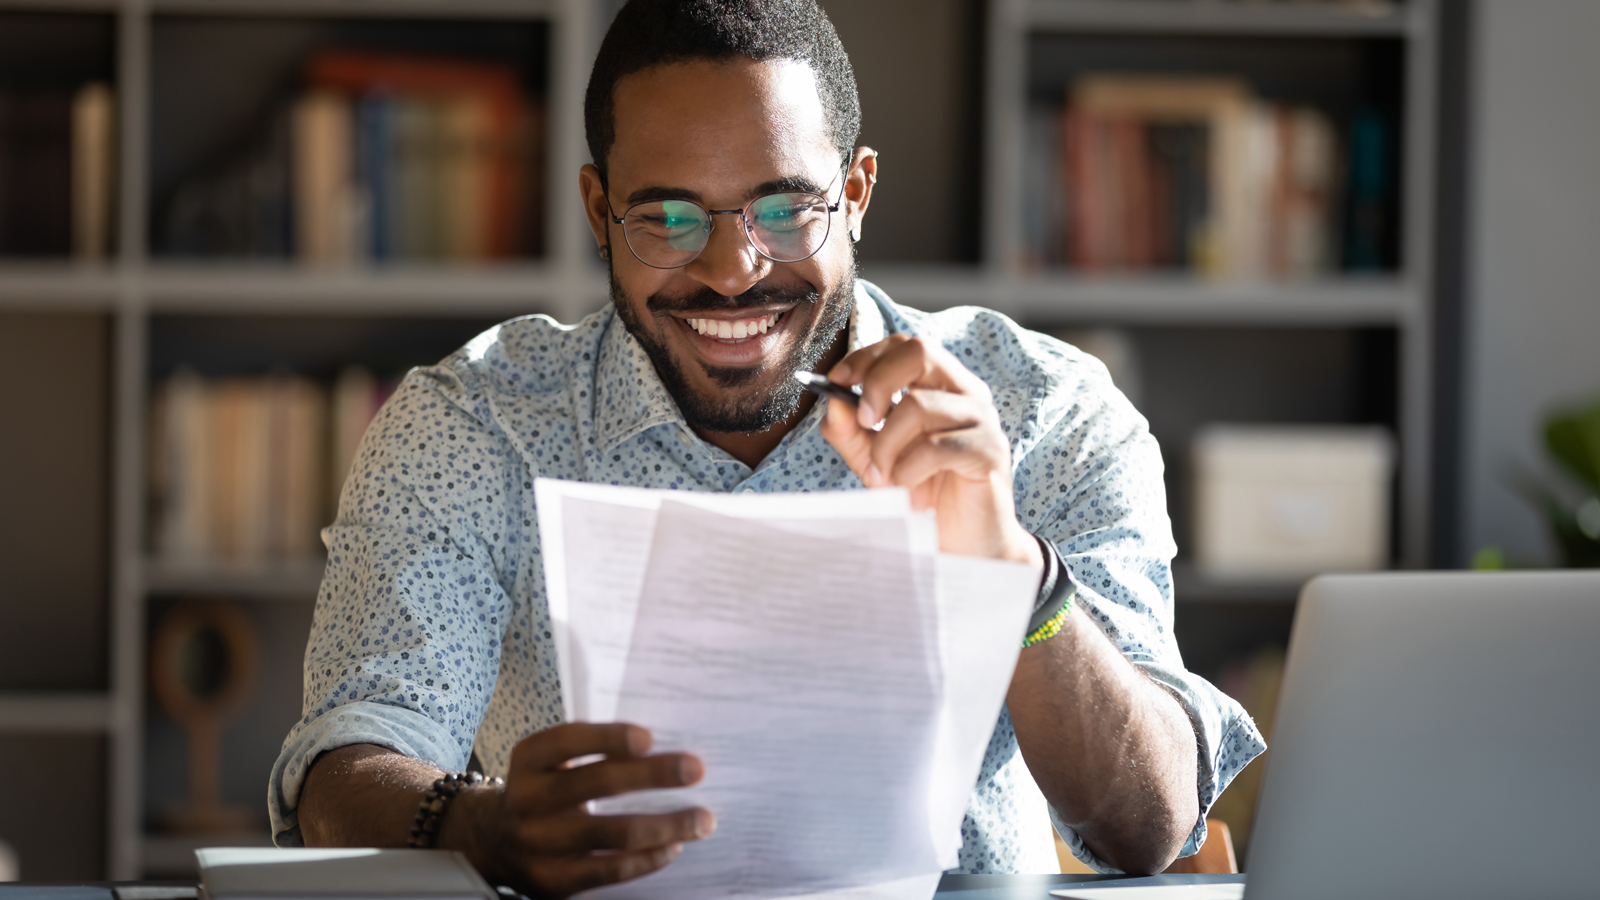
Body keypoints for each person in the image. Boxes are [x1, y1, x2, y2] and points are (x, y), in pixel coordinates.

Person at [270, 1, 1264, 895]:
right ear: (595, 210)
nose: (732, 270)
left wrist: (1013, 572)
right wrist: (479, 827)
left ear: (858, 191)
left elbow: (1149, 827)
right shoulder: (475, 426)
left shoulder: (1040, 410)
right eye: (665, 216)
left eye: (785, 208)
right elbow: (345, 767)